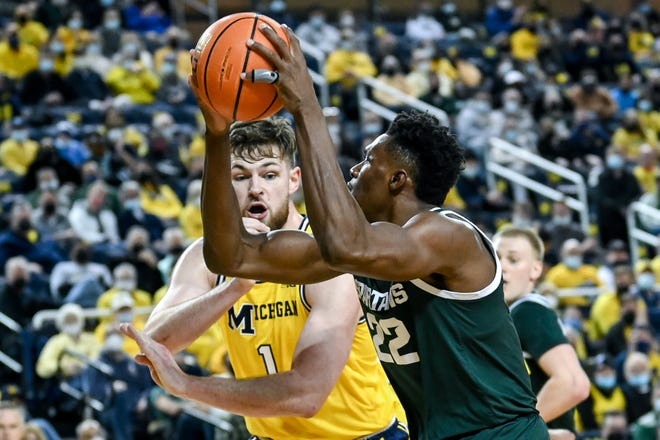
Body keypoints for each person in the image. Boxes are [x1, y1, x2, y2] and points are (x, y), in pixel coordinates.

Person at [125, 27, 552, 439]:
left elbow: (347, 245)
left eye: (368, 160)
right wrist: (217, 134)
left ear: (398, 180)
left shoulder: (447, 234)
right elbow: (230, 257)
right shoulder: (361, 254)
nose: (354, 168)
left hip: (501, 433)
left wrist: (306, 105)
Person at [122, 117, 408, 439]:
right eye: (240, 176)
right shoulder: (207, 256)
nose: (255, 187)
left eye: (269, 174)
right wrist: (235, 286)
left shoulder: (328, 254)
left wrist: (188, 385)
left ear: (293, 180)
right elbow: (155, 344)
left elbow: (307, 395)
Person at [493, 226, 591, 432]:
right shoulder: (516, 312)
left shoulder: (528, 311)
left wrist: (518, 433)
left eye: (513, 259)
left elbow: (574, 384)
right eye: (496, 258)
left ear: (536, 269)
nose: (502, 266)